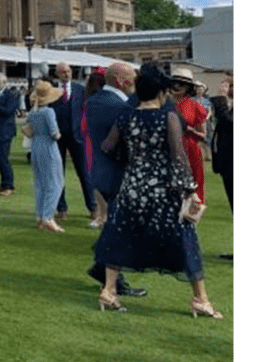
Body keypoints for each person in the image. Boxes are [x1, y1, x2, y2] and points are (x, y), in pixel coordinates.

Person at [91, 62, 222, 319]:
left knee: (119, 236)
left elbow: (107, 146)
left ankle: (108, 291)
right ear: (161, 92)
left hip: (133, 188)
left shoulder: (126, 116)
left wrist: (131, 158)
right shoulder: (168, 117)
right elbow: (178, 157)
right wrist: (190, 191)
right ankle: (200, 299)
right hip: (164, 192)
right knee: (185, 241)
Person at [83, 63, 145, 298]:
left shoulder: (95, 101)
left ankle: (104, 268)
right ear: (120, 79)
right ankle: (109, 275)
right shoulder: (119, 105)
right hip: (119, 174)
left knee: (118, 225)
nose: (136, 82)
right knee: (122, 229)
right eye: (132, 77)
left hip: (102, 171)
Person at [50, 63, 95, 224]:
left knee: (84, 173)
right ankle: (61, 208)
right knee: (58, 174)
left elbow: (86, 111)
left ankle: (92, 206)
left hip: (77, 137)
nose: (66, 74)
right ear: (57, 74)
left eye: (68, 71)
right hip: (56, 137)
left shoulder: (79, 90)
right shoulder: (51, 91)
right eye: (62, 72)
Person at [26, 80, 67, 233]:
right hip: (48, 146)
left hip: (36, 145)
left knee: (40, 183)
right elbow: (54, 134)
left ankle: (40, 216)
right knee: (56, 183)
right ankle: (47, 217)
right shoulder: (48, 112)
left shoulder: (34, 111)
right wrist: (59, 134)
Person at [171, 69, 211, 202]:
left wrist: (190, 130)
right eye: (174, 83)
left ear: (188, 87)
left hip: (190, 149)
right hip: (167, 149)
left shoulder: (194, 106)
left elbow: (203, 136)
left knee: (194, 189)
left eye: (181, 84)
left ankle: (191, 218)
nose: (176, 86)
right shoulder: (163, 104)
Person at [209, 73, 233, 261]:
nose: (223, 87)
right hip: (227, 163)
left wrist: (220, 100)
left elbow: (229, 124)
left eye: (228, 84)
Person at [0, 74, 22, 196]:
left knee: (3, 158)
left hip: (5, 130)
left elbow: (8, 111)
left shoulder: (10, 96)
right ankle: (3, 182)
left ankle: (9, 185)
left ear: (4, 82)